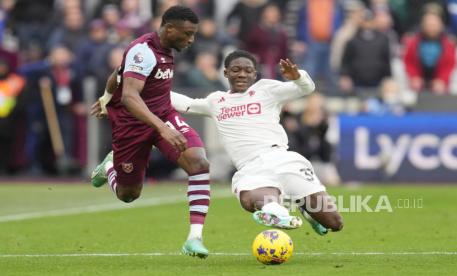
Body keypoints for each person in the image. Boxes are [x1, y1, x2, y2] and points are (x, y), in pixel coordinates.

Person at [172, 50, 343, 235]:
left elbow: (306, 88)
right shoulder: (216, 101)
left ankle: (301, 207)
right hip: (251, 167)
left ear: (255, 73)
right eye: (236, 69)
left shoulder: (266, 89)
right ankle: (277, 213)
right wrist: (153, 86)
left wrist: (297, 76)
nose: (242, 74)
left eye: (248, 70)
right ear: (226, 73)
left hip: (283, 160)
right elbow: (186, 103)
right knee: (249, 200)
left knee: (334, 223)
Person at [89, 6, 210, 258]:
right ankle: (109, 167)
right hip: (132, 125)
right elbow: (131, 98)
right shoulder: (143, 52)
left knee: (198, 162)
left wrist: (105, 96)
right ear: (169, 29)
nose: (191, 40)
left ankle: (194, 238)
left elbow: (117, 75)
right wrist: (161, 128)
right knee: (128, 194)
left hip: (164, 115)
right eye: (187, 34)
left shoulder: (167, 49)